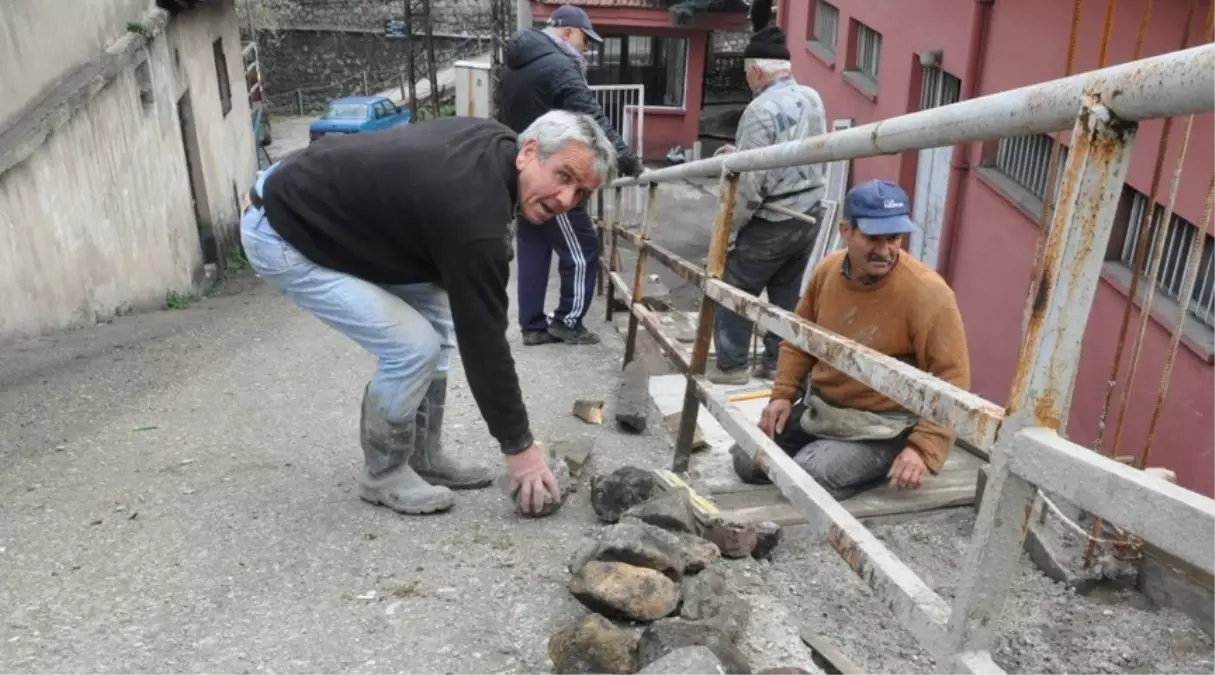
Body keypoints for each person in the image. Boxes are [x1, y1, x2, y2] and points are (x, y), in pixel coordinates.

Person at [239, 110, 617, 517]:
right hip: (282, 227)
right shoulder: (474, 212)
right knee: (412, 346)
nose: (566, 200)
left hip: (318, 194)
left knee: (438, 320)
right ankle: (382, 472)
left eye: (580, 193)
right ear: (528, 152)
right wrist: (520, 449)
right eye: (563, 176)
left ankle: (424, 454)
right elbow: (485, 341)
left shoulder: (498, 146)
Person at [731, 180, 972, 501]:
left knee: (807, 474)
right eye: (873, 238)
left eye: (894, 238)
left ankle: (878, 463)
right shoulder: (827, 271)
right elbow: (798, 339)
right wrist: (783, 396)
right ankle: (833, 459)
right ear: (846, 232)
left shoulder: (929, 295)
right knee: (747, 460)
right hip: (826, 411)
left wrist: (922, 447)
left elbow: (953, 380)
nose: (885, 251)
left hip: (885, 426)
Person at [498, 4, 645, 347]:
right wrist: (626, 159)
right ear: (566, 32)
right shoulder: (559, 65)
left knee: (534, 248)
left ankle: (533, 325)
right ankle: (568, 320)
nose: (586, 48)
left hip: (525, 173)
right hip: (556, 173)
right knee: (581, 248)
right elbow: (590, 118)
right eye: (584, 39)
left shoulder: (517, 65)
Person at [707, 21, 829, 385]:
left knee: (734, 286)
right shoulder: (812, 97)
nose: (748, 81)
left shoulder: (759, 110)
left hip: (773, 218)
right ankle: (776, 364)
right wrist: (740, 151)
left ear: (757, 71)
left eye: (748, 74)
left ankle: (731, 367)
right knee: (786, 294)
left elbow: (750, 184)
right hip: (808, 213)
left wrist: (728, 230)